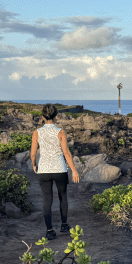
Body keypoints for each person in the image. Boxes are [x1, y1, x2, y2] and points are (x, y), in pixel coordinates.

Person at [30, 103, 79, 240]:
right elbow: (66, 153)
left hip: (44, 170)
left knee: (47, 200)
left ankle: (50, 230)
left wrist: (34, 165)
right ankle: (64, 225)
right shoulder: (60, 132)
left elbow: (33, 153)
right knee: (63, 196)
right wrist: (74, 170)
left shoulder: (37, 133)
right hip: (59, 169)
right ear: (56, 116)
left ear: (42, 117)